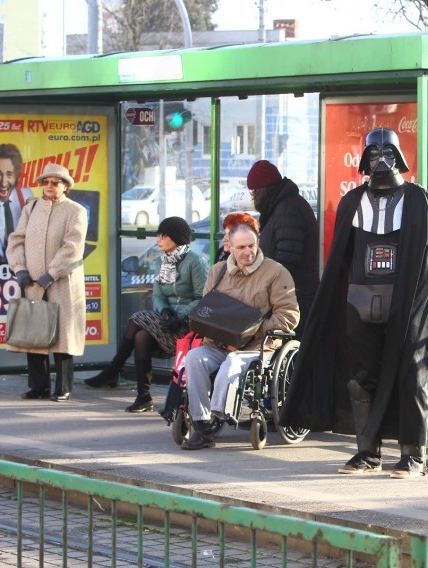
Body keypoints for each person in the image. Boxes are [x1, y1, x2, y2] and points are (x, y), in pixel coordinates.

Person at [280, 127, 428, 479]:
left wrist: (418, 310)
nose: (380, 160)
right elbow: (341, 258)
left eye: (387, 152)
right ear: (364, 159)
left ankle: (413, 454)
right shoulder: (353, 202)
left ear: (398, 156)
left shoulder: (418, 201)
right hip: (359, 302)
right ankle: (367, 451)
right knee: (359, 379)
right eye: (373, 154)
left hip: (405, 304)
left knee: (411, 376)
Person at [180, 221, 300, 450]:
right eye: (241, 247)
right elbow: (207, 312)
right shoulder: (218, 271)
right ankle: (202, 424)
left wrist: (252, 329)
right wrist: (225, 337)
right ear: (230, 248)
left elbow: (289, 316)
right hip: (219, 344)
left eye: (251, 245)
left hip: (257, 346)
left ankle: (217, 417)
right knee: (194, 358)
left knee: (233, 362)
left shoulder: (275, 272)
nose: (248, 252)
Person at [84, 216, 208, 413]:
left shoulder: (195, 262)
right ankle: (143, 397)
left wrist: (180, 315)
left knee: (136, 320)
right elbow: (158, 295)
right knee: (141, 336)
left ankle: (114, 371)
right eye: (158, 234)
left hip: (187, 324)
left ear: (176, 238)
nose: (158, 239)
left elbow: (201, 297)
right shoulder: (160, 261)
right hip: (167, 320)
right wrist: (165, 311)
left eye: (164, 235)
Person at [6, 163, 88, 401]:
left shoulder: (76, 211)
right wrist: (19, 268)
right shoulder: (31, 208)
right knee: (34, 332)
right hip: (32, 280)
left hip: (62, 281)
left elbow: (73, 247)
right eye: (46, 182)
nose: (49, 186)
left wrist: (52, 272)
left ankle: (63, 388)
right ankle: (38, 387)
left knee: (63, 336)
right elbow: (16, 239)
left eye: (55, 182)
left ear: (65, 186)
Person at [246, 160, 318, 336]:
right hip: (290, 293)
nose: (253, 197)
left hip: (295, 296)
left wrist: (264, 288)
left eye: (254, 192)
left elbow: (287, 259)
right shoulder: (283, 206)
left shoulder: (288, 210)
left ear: (263, 190)